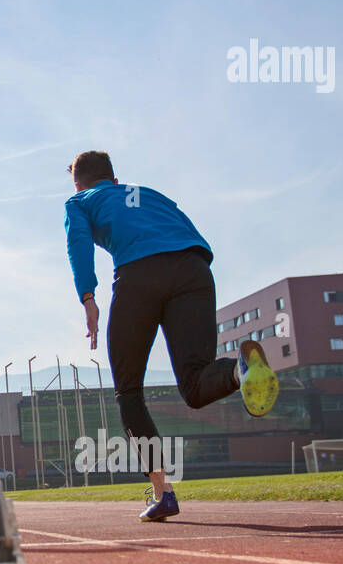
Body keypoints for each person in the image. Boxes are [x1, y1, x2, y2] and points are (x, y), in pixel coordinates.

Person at [64, 151, 277, 521]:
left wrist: (88, 298)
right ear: (114, 180)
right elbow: (186, 229)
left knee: (129, 392)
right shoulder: (149, 193)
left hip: (139, 275)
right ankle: (238, 371)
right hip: (195, 270)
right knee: (195, 384)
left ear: (78, 183)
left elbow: (78, 244)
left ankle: (164, 493)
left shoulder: (79, 201)